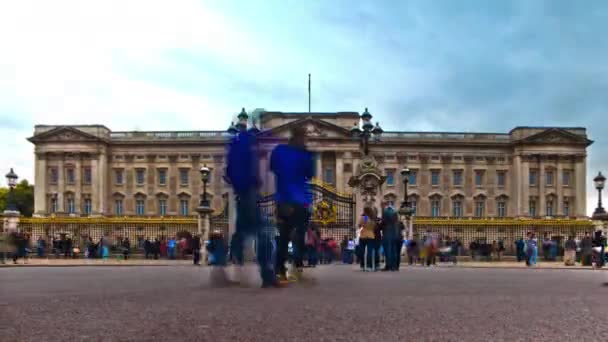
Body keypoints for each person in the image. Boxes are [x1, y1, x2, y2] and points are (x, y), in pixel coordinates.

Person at [227, 122, 277, 288]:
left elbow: (230, 171)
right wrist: (252, 182)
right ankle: (267, 274)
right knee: (263, 230)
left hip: (244, 193)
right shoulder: (245, 145)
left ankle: (231, 257)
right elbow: (238, 170)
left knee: (242, 229)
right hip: (247, 192)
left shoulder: (240, 144)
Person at [270, 126, 314, 283]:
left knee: (283, 237)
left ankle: (280, 271)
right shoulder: (306, 154)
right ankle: (296, 269)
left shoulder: (279, 151)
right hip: (300, 200)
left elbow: (273, 168)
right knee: (298, 237)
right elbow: (309, 174)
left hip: (284, 199)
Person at [380, 206, 401, 271]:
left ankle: (388, 265)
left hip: (387, 234)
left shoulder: (385, 213)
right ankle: (394, 266)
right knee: (394, 251)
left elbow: (382, 224)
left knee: (388, 251)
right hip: (395, 234)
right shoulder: (395, 215)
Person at [358, 207, 377, 271]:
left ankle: (363, 265)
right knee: (370, 251)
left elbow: (360, 225)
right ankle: (369, 265)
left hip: (364, 236)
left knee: (362, 251)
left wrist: (361, 223)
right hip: (371, 236)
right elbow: (374, 227)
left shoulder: (365, 217)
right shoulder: (373, 218)